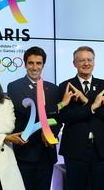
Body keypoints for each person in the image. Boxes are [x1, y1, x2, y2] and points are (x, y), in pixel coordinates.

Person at [7, 46, 65, 190]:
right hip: (25, 151)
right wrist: (60, 105)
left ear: (43, 65)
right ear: (25, 64)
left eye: (38, 63)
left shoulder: (53, 89)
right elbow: (29, 112)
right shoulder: (14, 86)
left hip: (47, 152)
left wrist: (52, 134)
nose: (34, 67)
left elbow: (58, 119)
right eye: (31, 63)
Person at [58, 46, 104, 190]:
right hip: (75, 149)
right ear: (74, 63)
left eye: (89, 60)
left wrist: (85, 102)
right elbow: (65, 117)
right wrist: (93, 107)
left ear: (94, 62)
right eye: (82, 60)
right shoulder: (66, 86)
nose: (86, 63)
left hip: (100, 149)